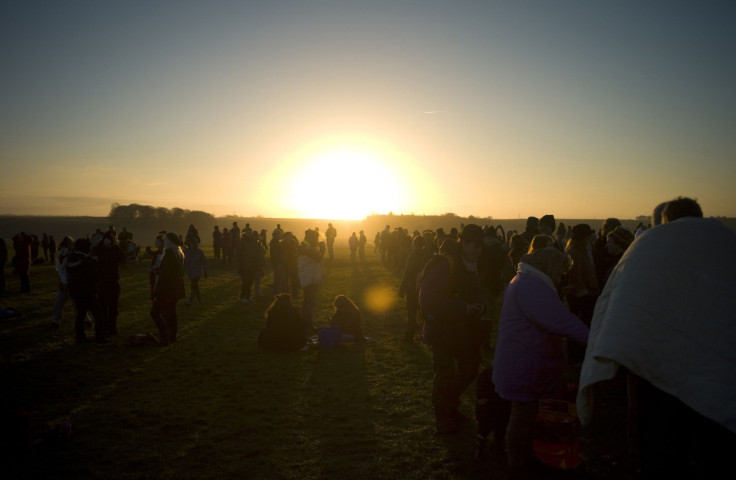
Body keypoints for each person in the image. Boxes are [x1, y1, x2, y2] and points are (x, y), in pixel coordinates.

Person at [578, 197, 736, 479]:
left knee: (663, 455)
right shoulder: (726, 239)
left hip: (660, 370)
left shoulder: (651, 243)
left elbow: (619, 301)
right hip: (720, 372)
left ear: (665, 220)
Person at [492, 247, 589, 478]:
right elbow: (560, 321)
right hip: (524, 364)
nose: (560, 277)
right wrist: (594, 339)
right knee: (522, 416)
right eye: (560, 272)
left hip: (525, 359)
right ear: (550, 267)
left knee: (526, 415)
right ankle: (517, 466)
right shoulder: (531, 287)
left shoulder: (526, 281)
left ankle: (526, 458)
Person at [419, 224, 488, 434]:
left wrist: (480, 305)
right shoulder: (445, 264)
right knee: (444, 374)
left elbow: (475, 291)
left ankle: (449, 405)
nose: (476, 250)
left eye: (479, 246)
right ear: (463, 243)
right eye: (472, 245)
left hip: (462, 330)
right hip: (442, 330)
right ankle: (443, 415)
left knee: (470, 368)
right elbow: (427, 299)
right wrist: (463, 308)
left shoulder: (469, 265)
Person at [65, 238, 109, 345]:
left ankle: (80, 337)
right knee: (98, 315)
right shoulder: (87, 261)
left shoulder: (70, 259)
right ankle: (100, 338)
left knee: (80, 315)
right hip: (88, 291)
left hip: (76, 292)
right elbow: (94, 277)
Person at [151, 233, 185, 344]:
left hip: (167, 288)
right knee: (171, 312)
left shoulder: (169, 254)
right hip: (175, 287)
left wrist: (157, 270)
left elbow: (165, 272)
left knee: (155, 313)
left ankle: (164, 335)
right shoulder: (179, 253)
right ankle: (172, 336)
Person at [399, 235, 432, 342]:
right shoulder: (427, 255)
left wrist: (401, 288)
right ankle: (427, 334)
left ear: (415, 243)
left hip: (412, 287)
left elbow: (407, 272)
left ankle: (409, 335)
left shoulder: (412, 255)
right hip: (424, 287)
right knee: (423, 312)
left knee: (411, 312)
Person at [93, 231, 125, 336]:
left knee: (111, 308)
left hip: (108, 282)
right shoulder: (101, 249)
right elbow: (122, 259)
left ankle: (110, 327)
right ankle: (108, 327)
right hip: (105, 282)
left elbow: (123, 258)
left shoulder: (99, 249)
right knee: (106, 307)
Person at [298, 229, 324, 335]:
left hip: (310, 277)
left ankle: (306, 324)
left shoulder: (306, 247)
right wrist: (322, 248)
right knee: (309, 302)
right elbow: (318, 259)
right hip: (309, 279)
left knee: (308, 302)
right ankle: (304, 324)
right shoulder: (305, 248)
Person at [236, 231, 260, 304]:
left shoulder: (254, 242)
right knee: (245, 282)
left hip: (253, 265)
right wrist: (240, 265)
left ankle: (248, 296)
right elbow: (238, 254)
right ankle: (243, 297)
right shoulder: (242, 242)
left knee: (250, 282)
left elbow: (257, 253)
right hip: (244, 266)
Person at [184, 238, 208, 305]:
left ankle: (189, 301)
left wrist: (205, 271)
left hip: (197, 271)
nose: (192, 245)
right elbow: (185, 262)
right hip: (190, 272)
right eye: (191, 243)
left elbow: (205, 261)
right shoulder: (187, 252)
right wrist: (182, 271)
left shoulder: (199, 252)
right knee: (195, 286)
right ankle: (199, 300)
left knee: (194, 285)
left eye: (193, 243)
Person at [269, 229, 287, 295]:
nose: (281, 235)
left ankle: (276, 291)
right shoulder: (275, 242)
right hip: (278, 263)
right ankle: (283, 292)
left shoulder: (275, 241)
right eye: (280, 234)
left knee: (277, 278)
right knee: (283, 278)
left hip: (277, 263)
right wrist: (278, 263)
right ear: (277, 235)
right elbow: (275, 254)